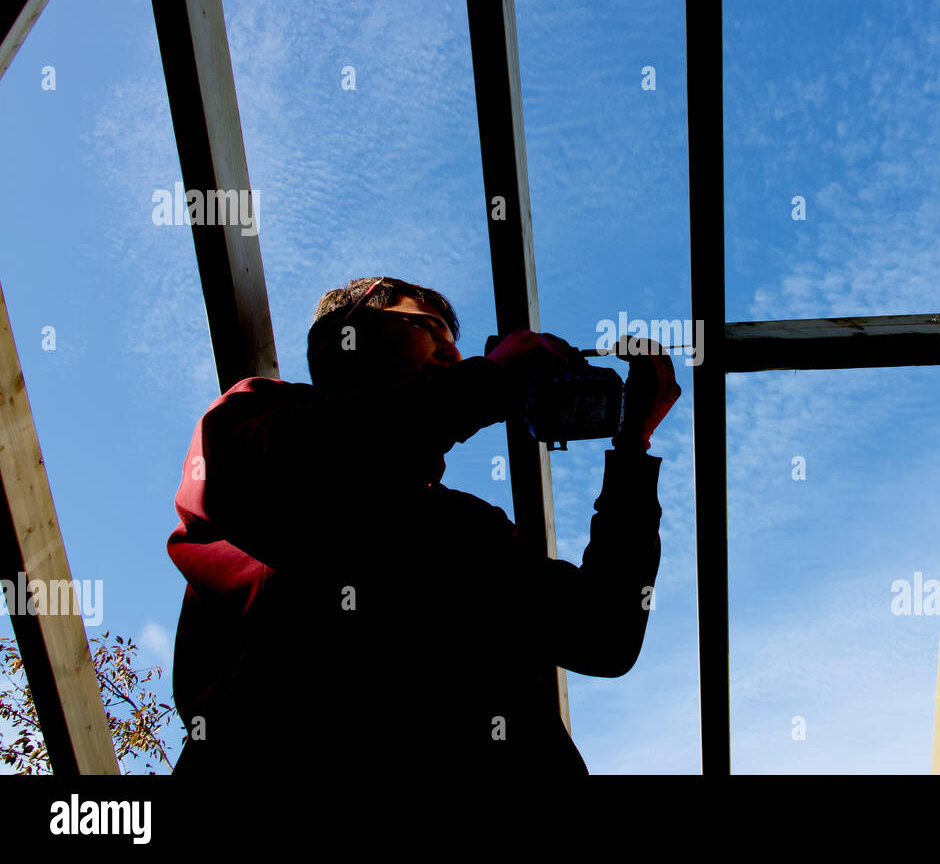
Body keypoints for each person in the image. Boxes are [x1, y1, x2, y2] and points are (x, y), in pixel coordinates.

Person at [166, 276, 680, 775]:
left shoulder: (469, 528)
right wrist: (489, 380)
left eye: (455, 345)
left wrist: (633, 449)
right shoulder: (253, 419)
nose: (454, 354)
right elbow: (302, 465)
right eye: (430, 327)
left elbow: (603, 633)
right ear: (344, 332)